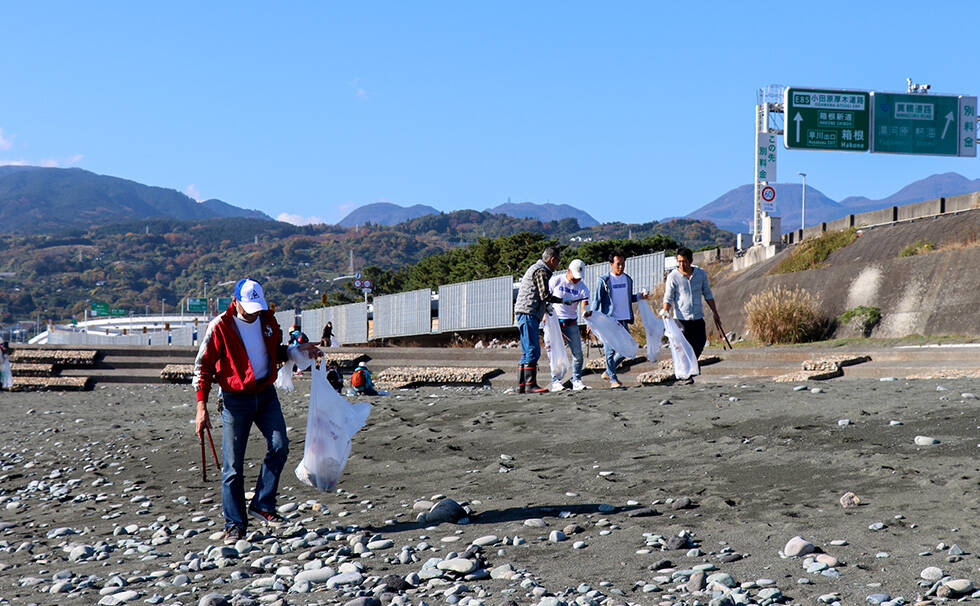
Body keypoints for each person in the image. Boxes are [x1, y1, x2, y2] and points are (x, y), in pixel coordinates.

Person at [193, 278, 320, 543]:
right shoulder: (220, 327)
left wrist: (296, 352)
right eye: (248, 308)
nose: (253, 314)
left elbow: (275, 352)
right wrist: (201, 407)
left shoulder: (268, 320)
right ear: (235, 301)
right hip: (234, 399)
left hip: (265, 394)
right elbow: (203, 366)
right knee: (232, 467)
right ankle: (235, 524)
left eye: (257, 307)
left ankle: (263, 504)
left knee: (280, 445)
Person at [514, 247, 573, 393]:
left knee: (526, 350)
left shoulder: (536, 268)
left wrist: (545, 307)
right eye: (558, 261)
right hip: (529, 312)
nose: (558, 264)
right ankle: (530, 385)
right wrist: (561, 301)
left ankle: (521, 385)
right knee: (533, 350)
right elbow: (544, 295)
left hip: (524, 311)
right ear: (552, 260)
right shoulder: (541, 271)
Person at [661, 247, 722, 385]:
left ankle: (690, 366)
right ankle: (686, 375)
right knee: (682, 348)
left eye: (684, 261)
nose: (682, 264)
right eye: (679, 261)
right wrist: (665, 311)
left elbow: (707, 294)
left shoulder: (700, 274)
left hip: (697, 317)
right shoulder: (673, 276)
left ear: (691, 261)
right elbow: (668, 297)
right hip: (681, 319)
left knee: (700, 342)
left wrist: (715, 312)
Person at [590, 250, 637, 389]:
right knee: (610, 351)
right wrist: (591, 319)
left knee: (628, 350)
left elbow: (629, 297)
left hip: (623, 320)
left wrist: (640, 296)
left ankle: (608, 372)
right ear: (611, 264)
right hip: (609, 320)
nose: (621, 267)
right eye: (618, 264)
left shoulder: (628, 279)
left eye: (623, 264)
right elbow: (597, 300)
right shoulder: (604, 280)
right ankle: (613, 379)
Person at [547, 259, 591, 391]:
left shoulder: (582, 288)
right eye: (575, 277)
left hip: (571, 322)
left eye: (579, 278)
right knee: (556, 352)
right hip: (554, 320)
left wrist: (586, 313)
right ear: (569, 270)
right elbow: (545, 297)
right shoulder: (556, 280)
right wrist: (544, 314)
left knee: (578, 353)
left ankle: (576, 380)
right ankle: (556, 381)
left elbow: (585, 304)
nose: (577, 280)